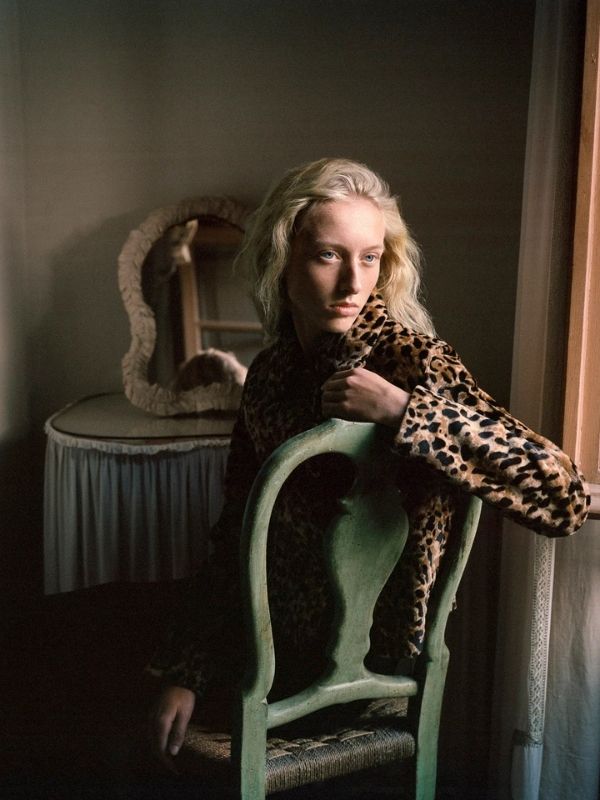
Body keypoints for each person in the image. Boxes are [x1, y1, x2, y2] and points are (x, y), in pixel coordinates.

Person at [147, 157, 589, 769]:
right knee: (97, 655)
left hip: (367, 673)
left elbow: (564, 496)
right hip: (264, 651)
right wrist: (188, 672)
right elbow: (238, 532)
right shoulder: (270, 374)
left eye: (371, 257)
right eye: (328, 256)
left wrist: (405, 411)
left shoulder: (414, 361)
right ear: (282, 260)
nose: (353, 282)